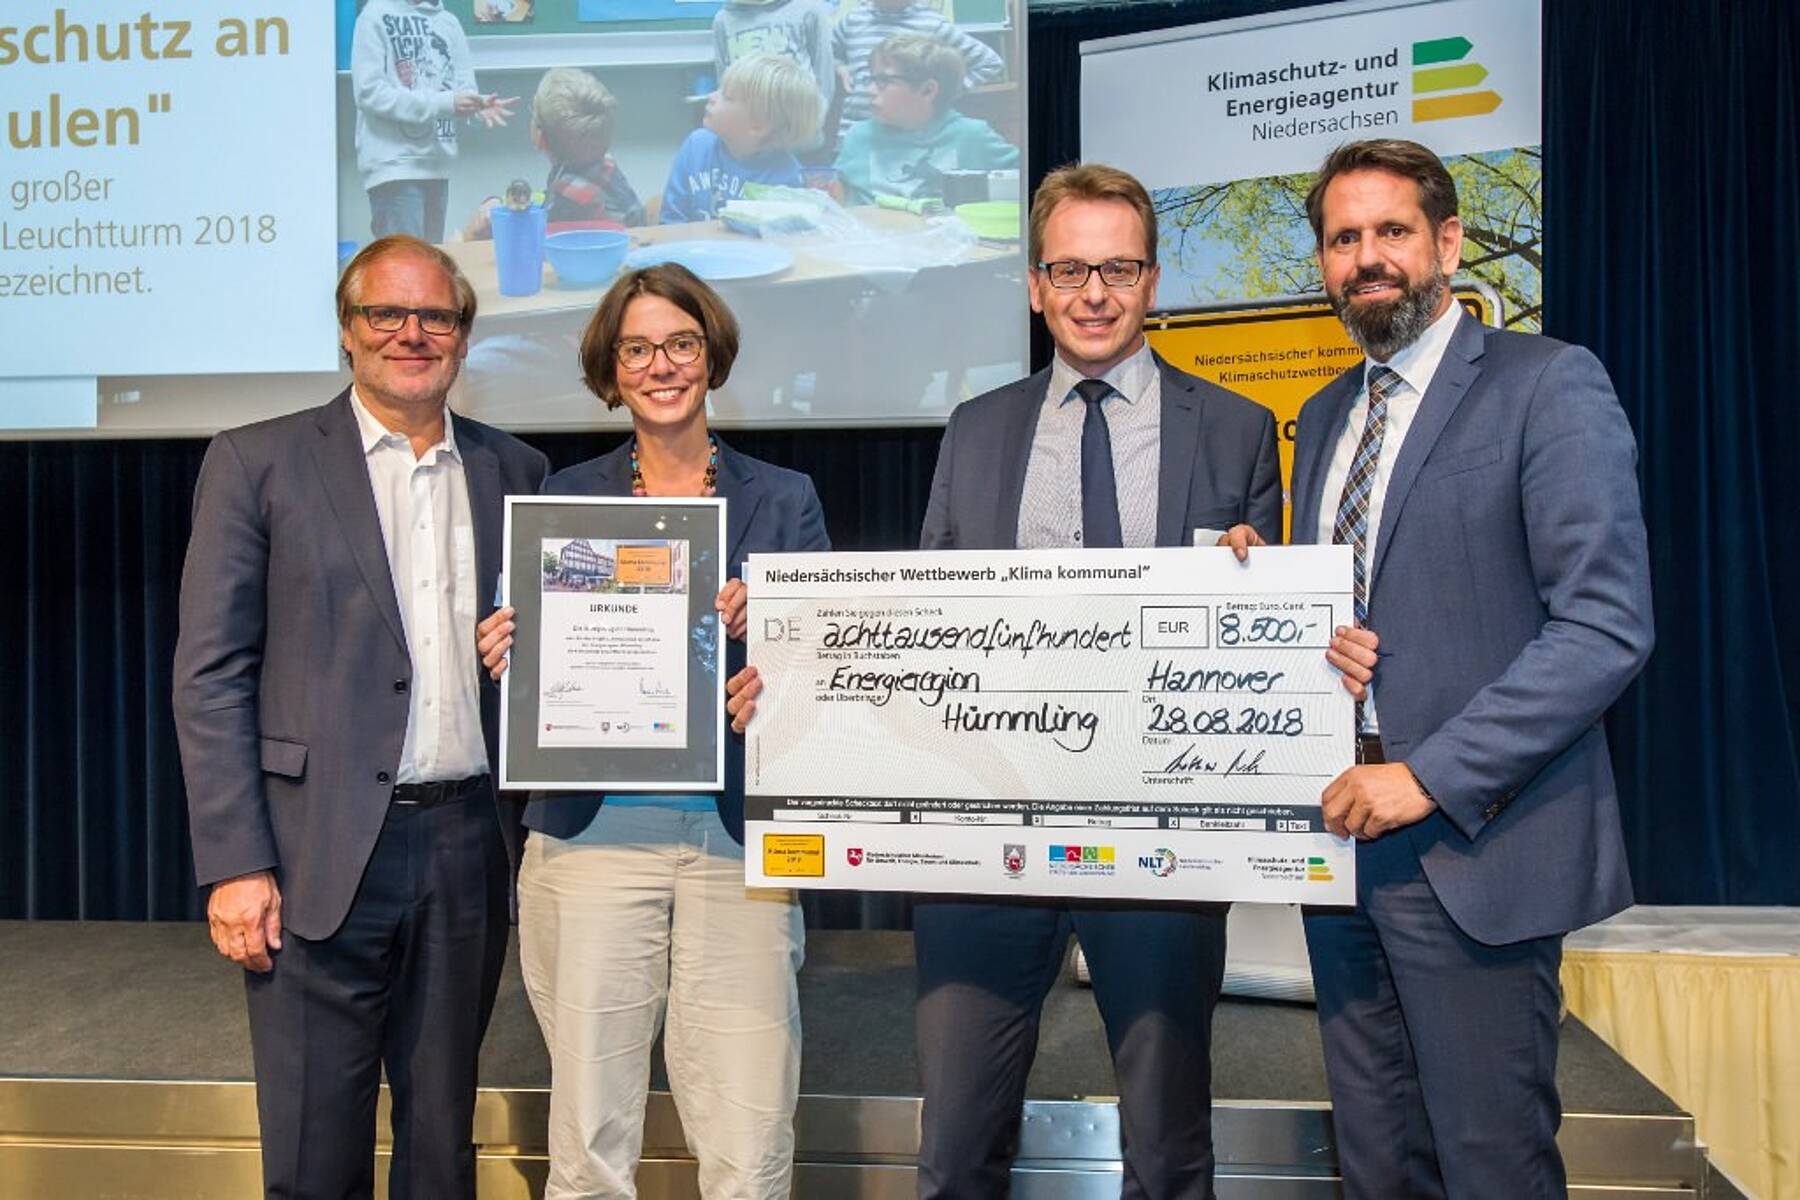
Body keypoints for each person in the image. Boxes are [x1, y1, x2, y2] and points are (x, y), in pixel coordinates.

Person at [823, 160, 1282, 1197]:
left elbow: (1256, 640)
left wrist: (1256, 591)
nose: (1094, 293)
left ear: (1153, 280)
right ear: (1035, 286)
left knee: (1169, 1150)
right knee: (955, 1151)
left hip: (1161, 834)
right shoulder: (977, 427)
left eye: (1118, 268)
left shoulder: (1237, 428)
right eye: (1070, 269)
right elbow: (927, 623)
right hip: (985, 838)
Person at [1288, 138, 1654, 1196]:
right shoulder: (1326, 415)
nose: (1367, 258)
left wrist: (1430, 776)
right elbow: (1373, 603)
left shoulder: (1549, 384)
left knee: (1492, 1169)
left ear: (1447, 243)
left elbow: (1605, 625)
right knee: (1378, 1167)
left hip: (1474, 843)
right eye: (1343, 239)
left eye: (1391, 231)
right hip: (1341, 847)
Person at [172, 235, 550, 1198]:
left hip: (469, 843)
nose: (411, 333)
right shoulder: (257, 462)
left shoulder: (516, 469)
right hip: (312, 851)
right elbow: (211, 675)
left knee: (441, 1147)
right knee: (312, 1154)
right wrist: (236, 864)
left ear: (463, 336)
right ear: (348, 330)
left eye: (436, 316)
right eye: (387, 313)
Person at [476, 263, 829, 1199]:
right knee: (589, 1137)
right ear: (610, 368)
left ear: (711, 357)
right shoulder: (562, 495)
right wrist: (508, 645)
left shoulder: (784, 498)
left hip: (736, 842)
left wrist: (776, 643)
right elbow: (530, 660)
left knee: (750, 1136)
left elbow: (828, 672)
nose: (660, 365)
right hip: (590, 834)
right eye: (637, 349)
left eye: (680, 344)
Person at [351, 0, 516, 242]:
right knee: (407, 262)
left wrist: (477, 107)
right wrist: (445, 103)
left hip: (437, 164)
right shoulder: (374, 16)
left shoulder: (448, 23)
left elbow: (463, 90)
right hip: (395, 166)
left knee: (429, 261)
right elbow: (370, 93)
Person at [833, 34, 1018, 206]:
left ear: (927, 90)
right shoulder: (859, 136)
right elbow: (836, 193)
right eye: (871, 79)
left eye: (884, 81)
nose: (870, 90)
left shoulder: (972, 136)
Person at [463, 66, 646, 240]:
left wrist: (474, 232)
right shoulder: (605, 165)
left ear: (539, 136)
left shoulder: (565, 203)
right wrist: (500, 202)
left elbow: (526, 244)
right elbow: (543, 199)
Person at [661, 54, 824, 223]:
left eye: (727, 97)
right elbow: (670, 221)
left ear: (758, 125)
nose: (711, 96)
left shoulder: (787, 178)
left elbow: (782, 236)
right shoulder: (696, 146)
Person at [832, 0, 1002, 141]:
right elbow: (829, 51)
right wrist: (839, 66)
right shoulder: (853, 20)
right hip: (851, 133)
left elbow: (990, 62)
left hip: (909, 138)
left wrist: (944, 95)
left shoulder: (933, 24)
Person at [711, 0, 836, 145]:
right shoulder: (723, 20)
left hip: (801, 136)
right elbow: (724, 83)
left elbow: (824, 74)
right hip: (749, 141)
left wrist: (813, 123)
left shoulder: (809, 9)